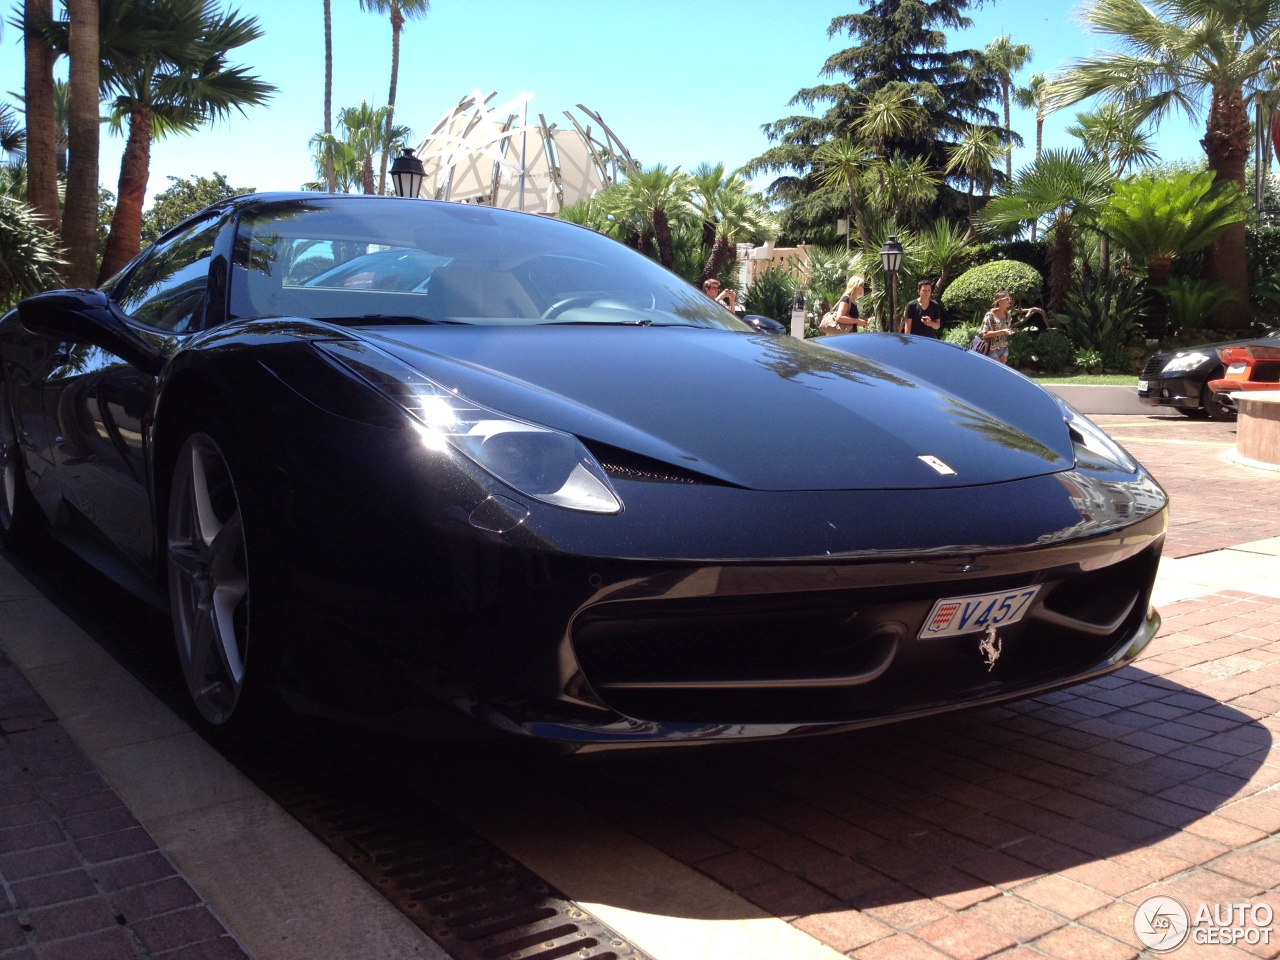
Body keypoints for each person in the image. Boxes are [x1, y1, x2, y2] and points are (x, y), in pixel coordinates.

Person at [979, 291, 1016, 364]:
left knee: (1001, 373)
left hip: (1004, 348)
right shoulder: (990, 316)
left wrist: (1009, 332)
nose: (1009, 301)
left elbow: (1006, 329)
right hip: (992, 349)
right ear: (999, 301)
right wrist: (1002, 331)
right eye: (1006, 299)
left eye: (1010, 299)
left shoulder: (1008, 315)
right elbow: (985, 334)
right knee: (995, 372)